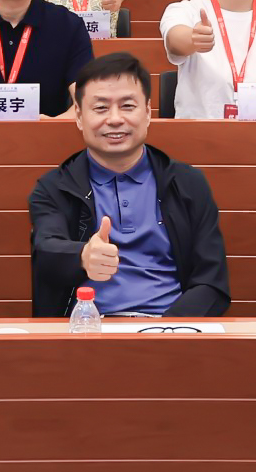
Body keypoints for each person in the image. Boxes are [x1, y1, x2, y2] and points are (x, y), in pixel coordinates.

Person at [28, 51, 232, 320]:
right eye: (101, 108)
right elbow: (46, 251)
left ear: (147, 112)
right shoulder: (54, 187)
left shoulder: (187, 183)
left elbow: (212, 283)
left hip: (172, 326)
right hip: (89, 328)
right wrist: (82, 255)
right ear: (78, 116)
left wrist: (166, 331)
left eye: (127, 106)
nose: (114, 119)